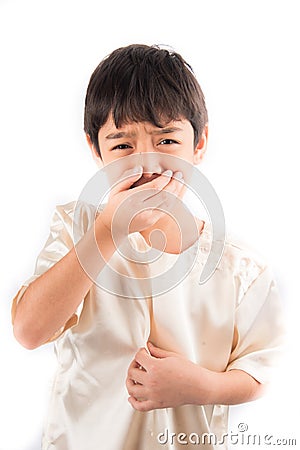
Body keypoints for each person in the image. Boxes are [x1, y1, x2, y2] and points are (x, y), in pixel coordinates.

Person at [12, 44, 284, 450]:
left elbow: (267, 367)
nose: (147, 163)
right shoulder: (77, 228)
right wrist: (108, 231)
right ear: (95, 150)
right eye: (122, 146)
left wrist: (202, 387)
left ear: (200, 144)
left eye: (167, 141)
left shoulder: (239, 269)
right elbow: (29, 331)